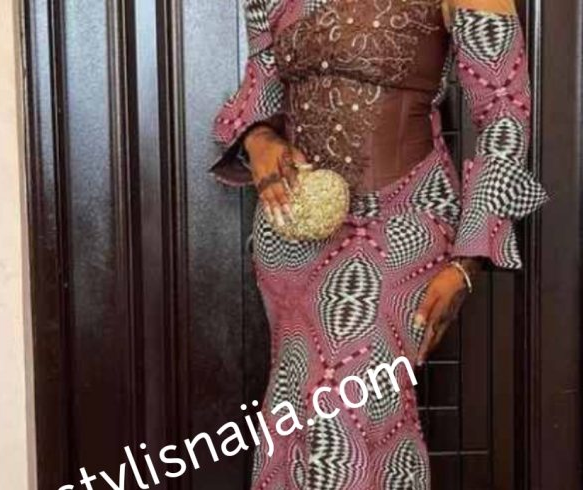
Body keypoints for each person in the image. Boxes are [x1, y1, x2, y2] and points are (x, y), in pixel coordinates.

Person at [210, 0, 547, 487]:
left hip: (402, 218)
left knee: (340, 408)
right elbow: (261, 86)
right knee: (295, 406)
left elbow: (504, 112)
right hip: (293, 232)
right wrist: (260, 142)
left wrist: (468, 260)